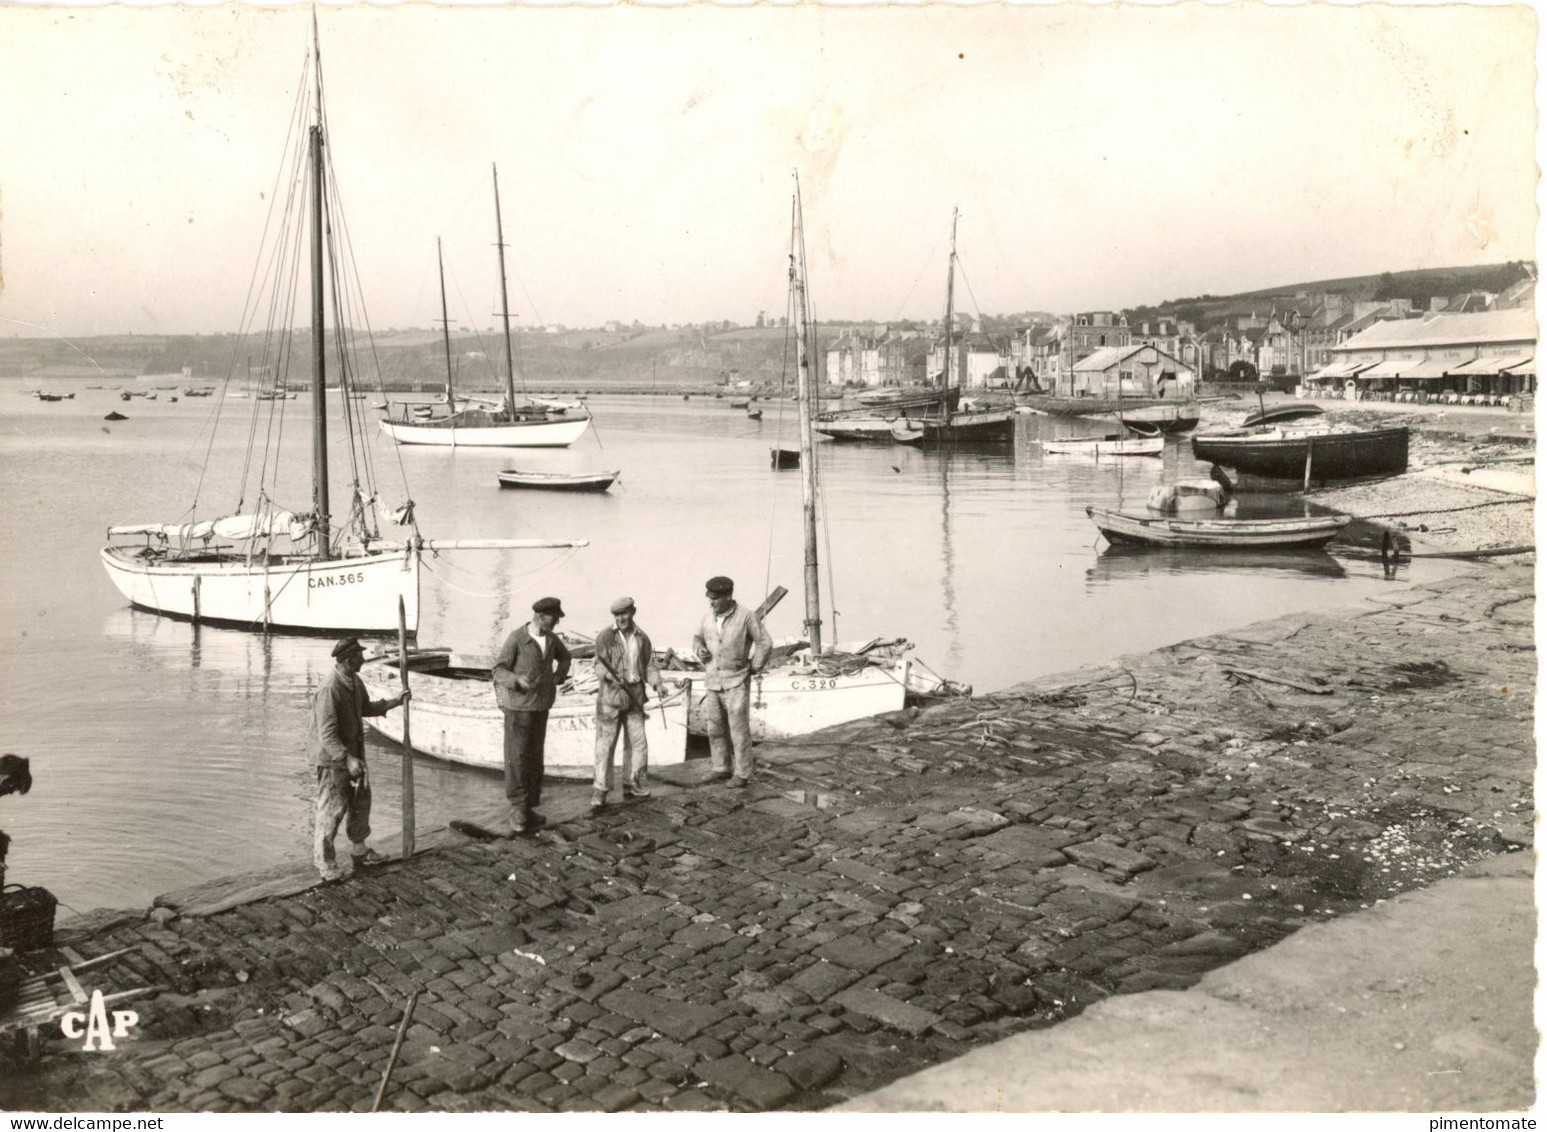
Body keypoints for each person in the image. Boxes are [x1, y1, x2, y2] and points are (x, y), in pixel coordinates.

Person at [309, 637, 409, 882]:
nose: (363, 659)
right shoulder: (329, 689)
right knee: (332, 810)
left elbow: (365, 708)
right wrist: (347, 759)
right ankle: (325, 863)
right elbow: (327, 735)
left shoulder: (354, 681)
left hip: (354, 756)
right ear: (346, 659)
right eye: (359, 656)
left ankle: (359, 850)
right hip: (334, 760)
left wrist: (394, 702)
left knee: (360, 802)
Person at [493, 596, 572, 834]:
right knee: (517, 758)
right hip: (518, 708)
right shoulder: (517, 638)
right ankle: (517, 808)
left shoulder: (551, 639)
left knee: (535, 759)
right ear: (539, 616)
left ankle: (530, 808)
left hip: (541, 706)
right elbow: (498, 670)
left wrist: (559, 676)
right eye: (554, 618)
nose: (557, 622)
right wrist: (516, 680)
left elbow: (565, 657)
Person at [691, 576, 772, 788]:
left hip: (736, 681)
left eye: (716, 598)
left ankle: (743, 773)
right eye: (710, 598)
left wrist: (755, 666)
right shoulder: (707, 617)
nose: (712, 602)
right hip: (712, 681)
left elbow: (764, 642)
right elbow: (697, 639)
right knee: (715, 728)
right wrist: (700, 650)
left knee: (738, 729)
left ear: (728, 596)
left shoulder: (746, 616)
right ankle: (721, 768)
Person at [591, 596, 665, 815]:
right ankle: (600, 790)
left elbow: (649, 665)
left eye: (624, 614)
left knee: (637, 743)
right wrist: (608, 677)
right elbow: (597, 665)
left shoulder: (642, 637)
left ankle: (634, 783)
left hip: (635, 695)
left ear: (633, 612)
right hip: (611, 697)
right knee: (605, 744)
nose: (621, 618)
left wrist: (657, 683)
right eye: (617, 615)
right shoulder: (605, 636)